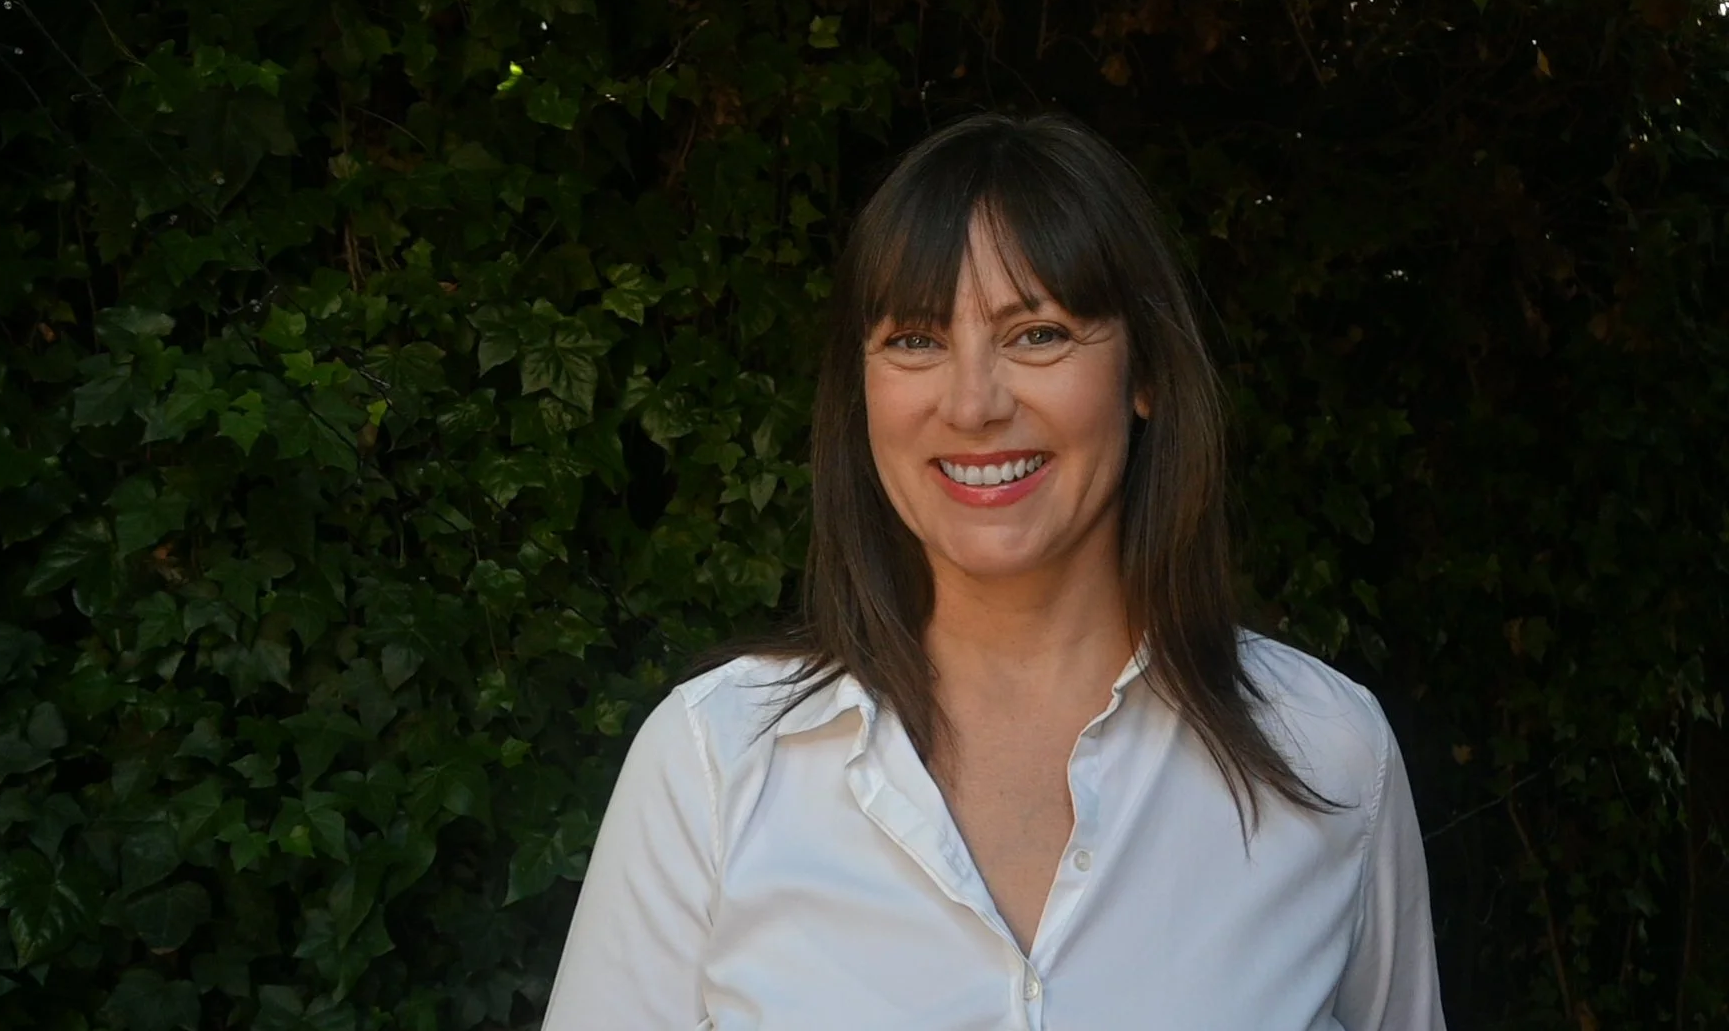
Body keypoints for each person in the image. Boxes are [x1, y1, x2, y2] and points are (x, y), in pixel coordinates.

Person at [541, 112, 1446, 1030]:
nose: (973, 404)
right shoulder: (713, 763)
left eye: (1040, 334)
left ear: (1146, 375)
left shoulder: (1328, 753)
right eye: (916, 341)